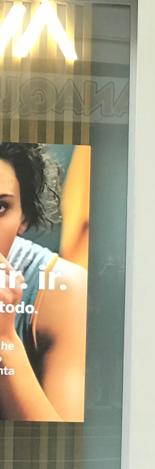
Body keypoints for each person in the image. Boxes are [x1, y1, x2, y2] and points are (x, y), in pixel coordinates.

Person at [0, 142, 87, 422]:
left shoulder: (63, 290)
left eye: (0, 208)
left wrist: (4, 338)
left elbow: (61, 446)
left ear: (24, 217)